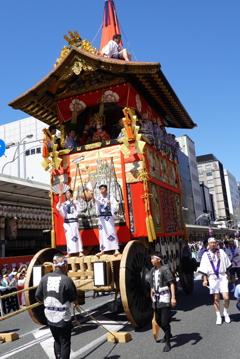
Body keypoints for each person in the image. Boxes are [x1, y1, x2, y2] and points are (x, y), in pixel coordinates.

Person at [35, 254, 78, 359]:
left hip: (49, 314)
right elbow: (73, 298)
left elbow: (38, 296)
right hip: (62, 315)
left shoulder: (45, 278)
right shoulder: (66, 280)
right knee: (65, 342)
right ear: (65, 265)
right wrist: (74, 302)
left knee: (57, 340)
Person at [198, 237, 232, 325]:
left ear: (216, 243)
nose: (213, 244)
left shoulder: (221, 252)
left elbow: (226, 264)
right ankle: (218, 316)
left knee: (226, 297)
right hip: (212, 277)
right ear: (208, 244)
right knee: (216, 298)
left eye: (214, 243)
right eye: (211, 243)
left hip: (222, 276)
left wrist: (227, 275)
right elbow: (204, 268)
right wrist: (205, 280)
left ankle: (225, 312)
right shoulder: (205, 254)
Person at [149, 253, 176, 352]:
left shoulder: (165, 269)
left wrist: (173, 298)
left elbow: (171, 283)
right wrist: (151, 293)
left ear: (158, 260)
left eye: (153, 259)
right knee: (158, 321)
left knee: (165, 321)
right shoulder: (152, 270)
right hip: (156, 298)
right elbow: (152, 284)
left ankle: (168, 342)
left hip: (164, 297)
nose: (151, 260)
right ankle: (168, 333)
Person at [91, 184, 120, 256]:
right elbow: (95, 204)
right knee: (102, 234)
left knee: (112, 232)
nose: (102, 190)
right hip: (101, 218)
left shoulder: (111, 197)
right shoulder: (99, 198)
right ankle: (102, 250)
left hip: (109, 217)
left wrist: (110, 204)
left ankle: (116, 249)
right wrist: (92, 196)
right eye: (100, 189)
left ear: (106, 189)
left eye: (103, 188)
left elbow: (116, 207)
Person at [57, 189, 84, 257]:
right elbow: (59, 208)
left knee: (76, 236)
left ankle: (80, 251)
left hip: (74, 221)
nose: (67, 194)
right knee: (68, 238)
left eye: (68, 193)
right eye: (66, 193)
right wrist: (60, 198)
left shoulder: (76, 202)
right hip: (67, 222)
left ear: (71, 194)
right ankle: (69, 252)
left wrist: (73, 203)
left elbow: (78, 210)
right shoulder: (64, 203)